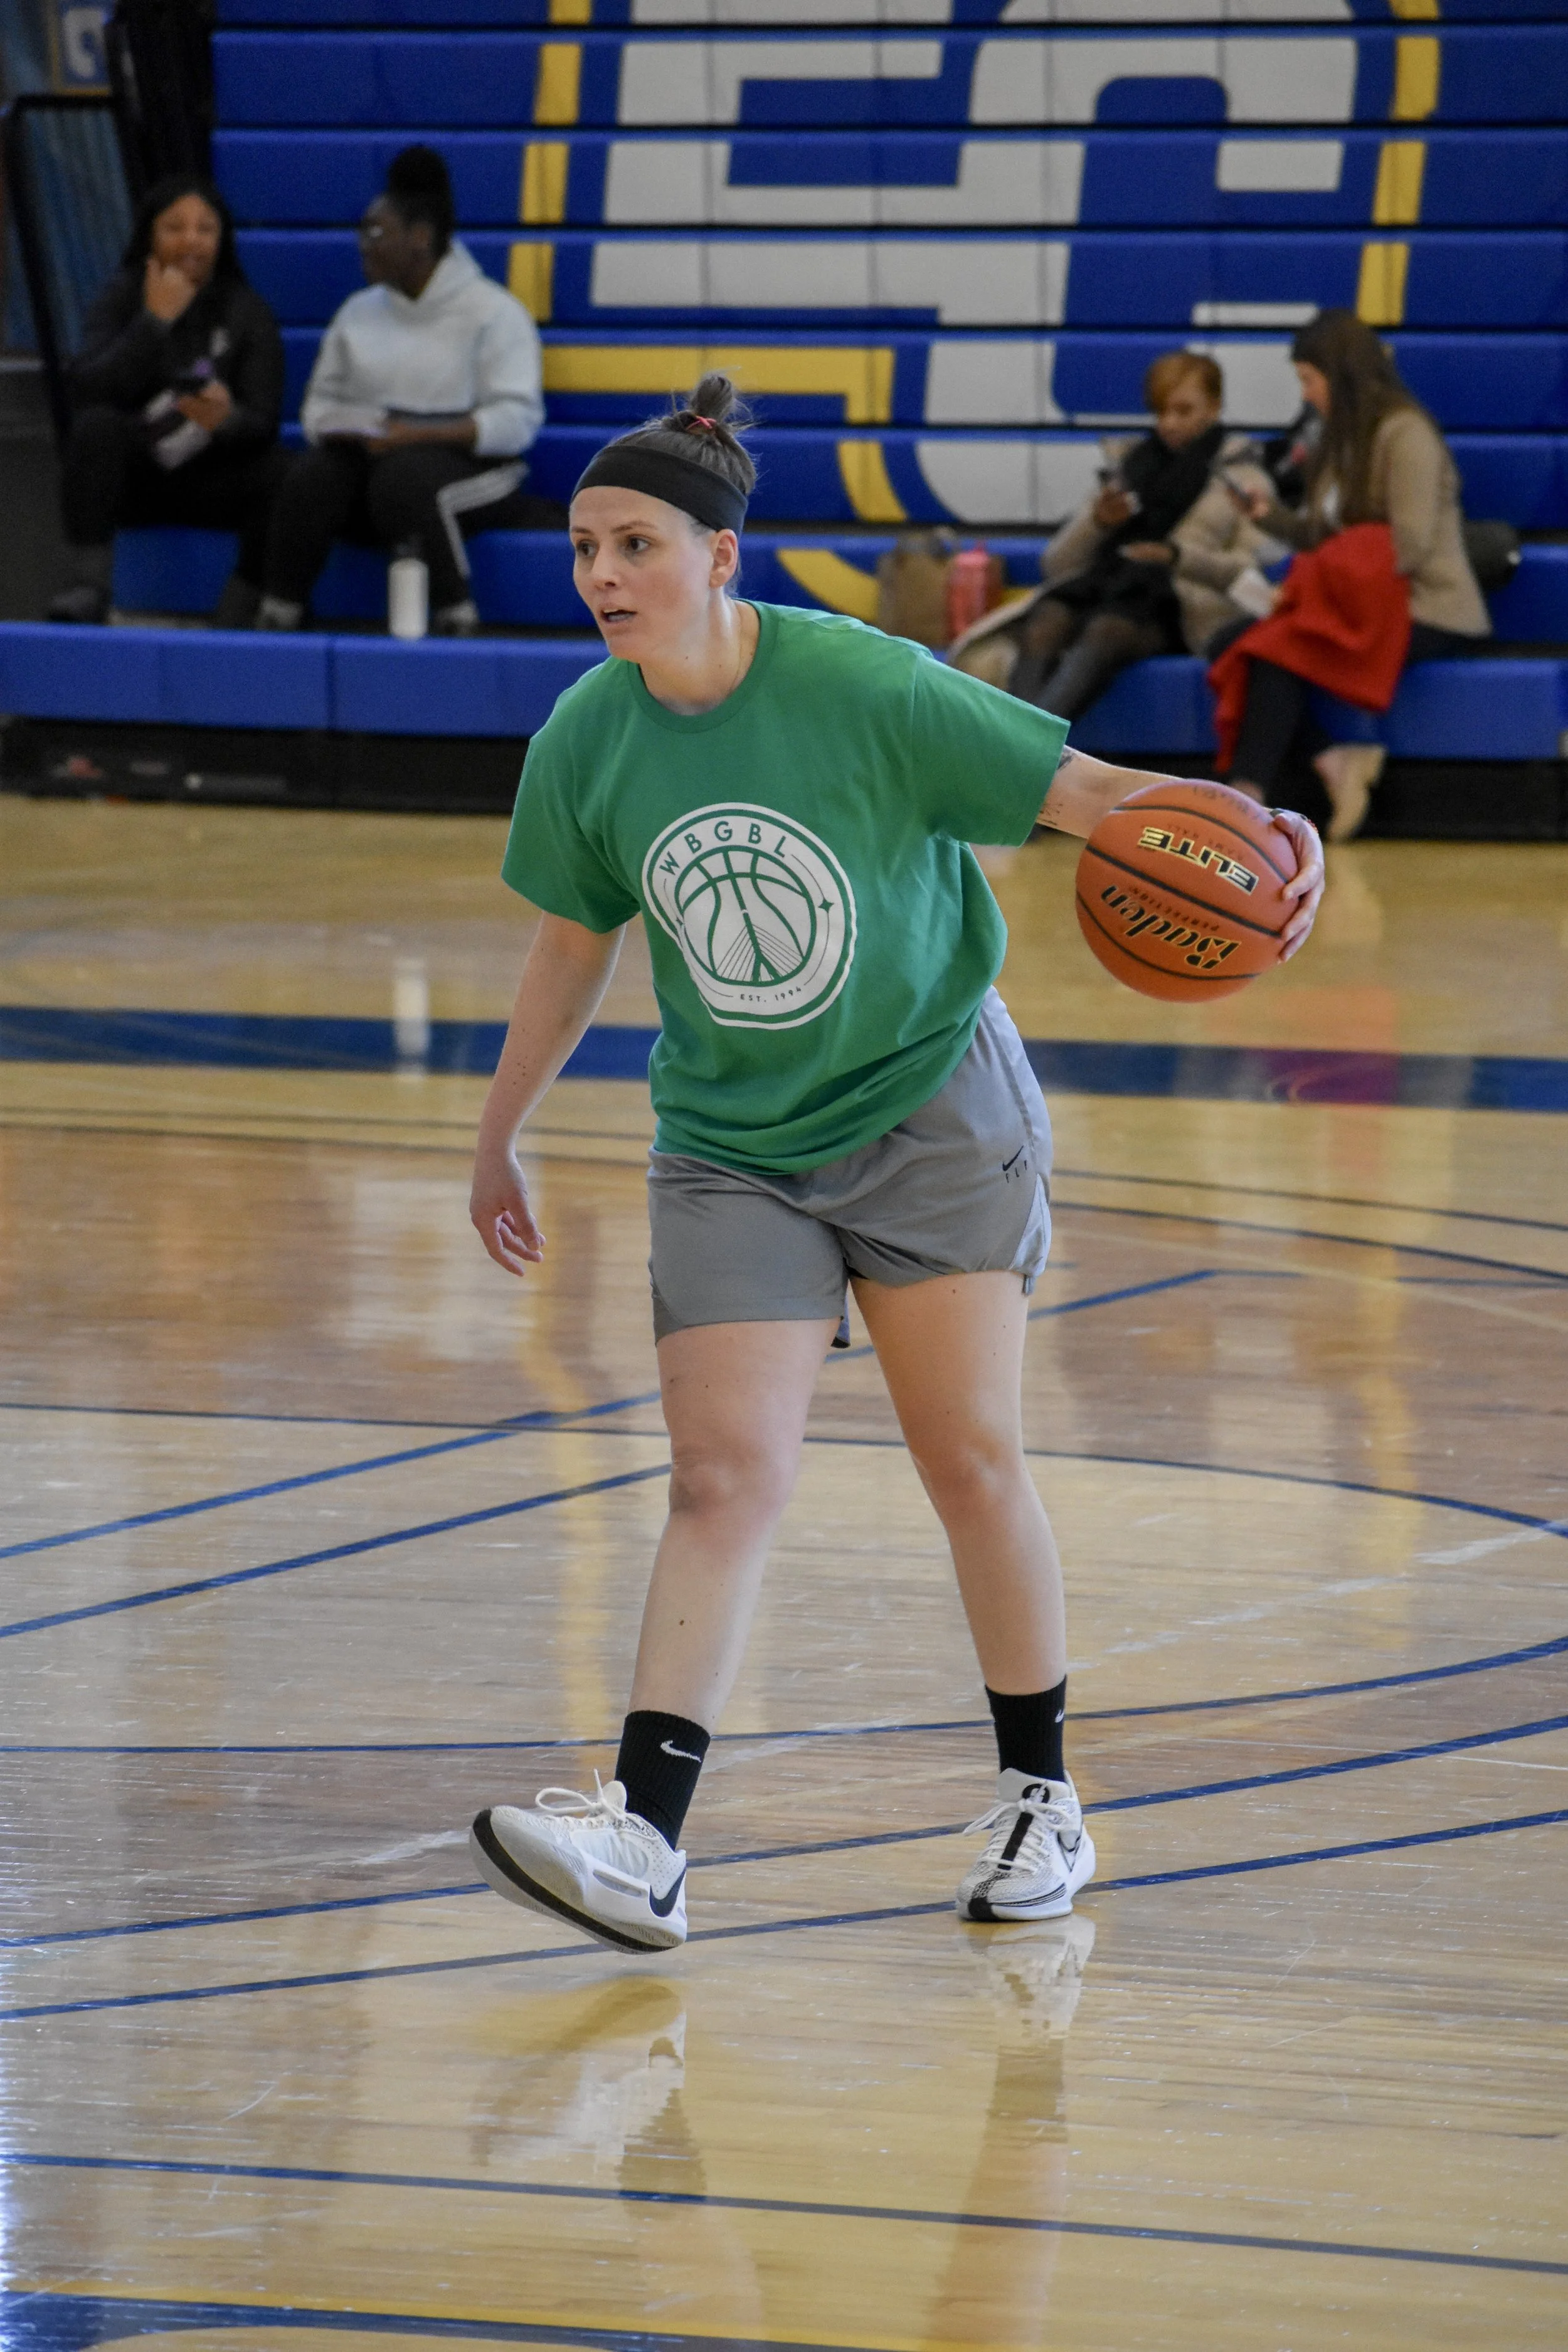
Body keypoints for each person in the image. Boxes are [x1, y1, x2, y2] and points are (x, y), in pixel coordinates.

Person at [462, 374, 1326, 1955]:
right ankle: (646, 1836)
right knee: (724, 1473)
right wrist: (499, 1123)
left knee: (968, 1459)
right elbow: (572, 944)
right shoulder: (587, 737)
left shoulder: (869, 685)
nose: (600, 575)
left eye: (635, 544)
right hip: (730, 1141)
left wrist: (1258, 835)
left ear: (723, 556)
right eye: (584, 546)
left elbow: (1084, 800)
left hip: (930, 1106)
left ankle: (1039, 1799)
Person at [256, 145, 558, 636]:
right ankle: (278, 615)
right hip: (375, 463)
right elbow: (317, 408)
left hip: (475, 467)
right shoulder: (358, 312)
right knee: (310, 477)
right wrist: (347, 429)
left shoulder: (494, 312)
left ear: (420, 238)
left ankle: (456, 615)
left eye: (377, 233)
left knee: (405, 482)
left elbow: (517, 422)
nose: (363, 245)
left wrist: (414, 435)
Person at [1219, 309, 1490, 840]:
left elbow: (1405, 547)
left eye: (1309, 380)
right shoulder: (1339, 442)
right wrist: (1268, 517)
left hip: (1426, 606)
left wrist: (1312, 588)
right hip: (1358, 597)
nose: (1306, 395)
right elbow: (1327, 535)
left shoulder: (1407, 433)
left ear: (1339, 375)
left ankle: (1244, 800)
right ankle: (1329, 758)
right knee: (1228, 643)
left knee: (1273, 655)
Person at [950, 354, 1274, 714]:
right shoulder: (1132, 467)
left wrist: (1177, 557)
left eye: (1183, 411)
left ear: (1214, 408)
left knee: (1107, 631)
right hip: (1106, 588)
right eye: (1161, 411)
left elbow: (1254, 576)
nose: (1169, 424)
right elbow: (1056, 565)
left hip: (1179, 607)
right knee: (1048, 620)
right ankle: (1022, 745)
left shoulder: (1244, 481)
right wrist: (1098, 523)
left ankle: (1024, 751)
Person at [48, 174, 285, 627]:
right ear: (150, 237)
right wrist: (154, 322)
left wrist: (228, 419)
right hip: (136, 477)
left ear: (222, 241)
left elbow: (264, 419)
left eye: (205, 229)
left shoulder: (247, 310)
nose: (191, 240)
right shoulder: (122, 295)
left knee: (286, 473)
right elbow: (87, 388)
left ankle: (240, 608)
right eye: (175, 228)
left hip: (211, 474)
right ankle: (87, 588)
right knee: (95, 430)